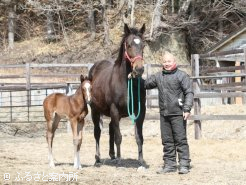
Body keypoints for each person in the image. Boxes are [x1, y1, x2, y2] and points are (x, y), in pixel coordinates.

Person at [144, 51, 194, 174]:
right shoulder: (158, 76)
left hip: (178, 113)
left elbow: (189, 92)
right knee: (167, 140)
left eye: (169, 61)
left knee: (180, 140)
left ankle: (184, 164)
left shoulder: (182, 76)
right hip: (164, 114)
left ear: (174, 62)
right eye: (164, 61)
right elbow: (145, 84)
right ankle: (169, 164)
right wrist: (135, 77)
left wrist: (187, 109)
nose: (166, 64)